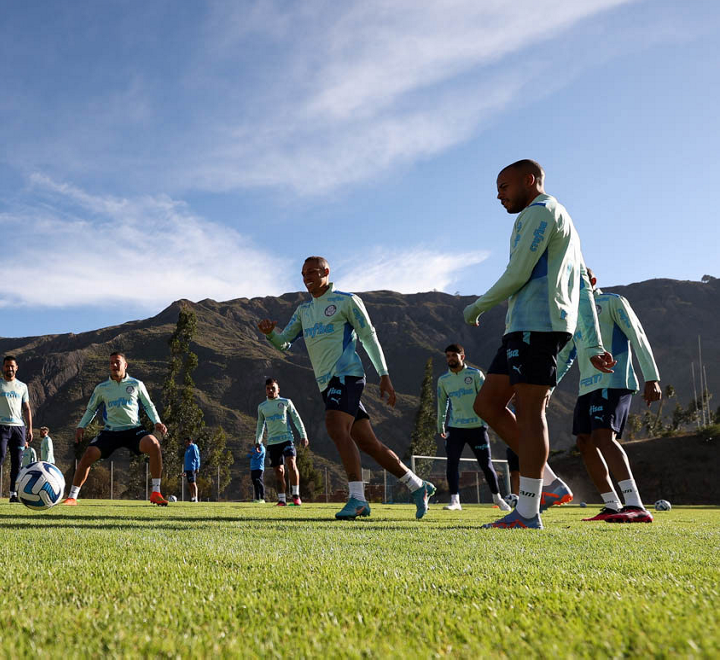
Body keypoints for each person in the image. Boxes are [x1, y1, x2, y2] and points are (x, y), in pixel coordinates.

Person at [465, 159, 614, 529]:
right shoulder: (554, 219)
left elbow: (518, 272)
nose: (499, 196)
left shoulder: (541, 212)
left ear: (528, 181)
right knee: (487, 404)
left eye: (504, 187)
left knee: (531, 412)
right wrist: (593, 344)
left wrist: (478, 305)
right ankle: (547, 482)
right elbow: (584, 286)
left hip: (541, 325)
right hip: (522, 326)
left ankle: (528, 512)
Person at [259, 256, 435, 520]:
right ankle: (418, 485)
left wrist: (384, 374)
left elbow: (368, 337)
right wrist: (270, 334)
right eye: (303, 274)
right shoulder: (304, 311)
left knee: (335, 426)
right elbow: (284, 343)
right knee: (369, 443)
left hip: (347, 376)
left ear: (326, 272)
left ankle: (358, 499)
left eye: (312, 272)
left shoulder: (346, 301)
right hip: (327, 385)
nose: (307, 278)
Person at [558, 268, 661, 523]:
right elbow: (565, 356)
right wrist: (547, 388)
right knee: (584, 442)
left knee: (604, 437)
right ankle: (612, 505)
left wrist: (651, 377)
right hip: (586, 388)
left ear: (591, 281)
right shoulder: (572, 315)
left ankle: (635, 504)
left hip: (614, 381)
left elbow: (637, 335)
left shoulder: (612, 302)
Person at [63, 352, 169, 506]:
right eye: (111, 363)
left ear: (125, 365)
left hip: (134, 430)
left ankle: (156, 493)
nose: (113, 365)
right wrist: (81, 426)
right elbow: (91, 409)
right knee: (88, 455)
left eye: (117, 362)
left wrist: (157, 422)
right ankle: (72, 497)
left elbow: (148, 405)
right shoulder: (102, 388)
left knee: (154, 444)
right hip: (110, 432)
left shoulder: (136, 384)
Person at [436, 345, 511, 511]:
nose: (450, 358)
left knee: (486, 464)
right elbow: (442, 404)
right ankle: (455, 500)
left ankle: (497, 498)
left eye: (454, 355)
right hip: (455, 428)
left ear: (462, 356)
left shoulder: (475, 375)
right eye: (448, 356)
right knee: (452, 463)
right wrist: (440, 425)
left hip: (477, 427)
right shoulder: (443, 380)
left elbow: (486, 398)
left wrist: (489, 420)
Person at [0, 355, 33, 503]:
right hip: (1, 427)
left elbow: (27, 409)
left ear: (16, 368)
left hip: (19, 429)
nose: (9, 368)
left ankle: (13, 494)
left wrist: (29, 429)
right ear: (3, 368)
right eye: (7, 366)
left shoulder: (22, 386)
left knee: (17, 462)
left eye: (12, 366)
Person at [256, 378, 309, 507]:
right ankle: (282, 500)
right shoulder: (262, 407)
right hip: (273, 443)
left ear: (278, 389)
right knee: (279, 471)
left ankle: (296, 496)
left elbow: (296, 418)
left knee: (291, 463)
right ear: (265, 390)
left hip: (287, 440)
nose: (270, 390)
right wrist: (258, 440)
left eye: (273, 388)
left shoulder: (286, 402)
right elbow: (260, 425)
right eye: (268, 388)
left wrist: (303, 435)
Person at [183, 438, 201, 502]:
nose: (185, 443)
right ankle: (192, 497)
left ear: (190, 441)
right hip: (187, 468)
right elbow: (186, 460)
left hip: (192, 468)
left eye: (187, 442)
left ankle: (196, 498)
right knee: (189, 484)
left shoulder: (193, 447)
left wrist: (197, 467)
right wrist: (184, 470)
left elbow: (197, 457)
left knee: (193, 483)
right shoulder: (187, 449)